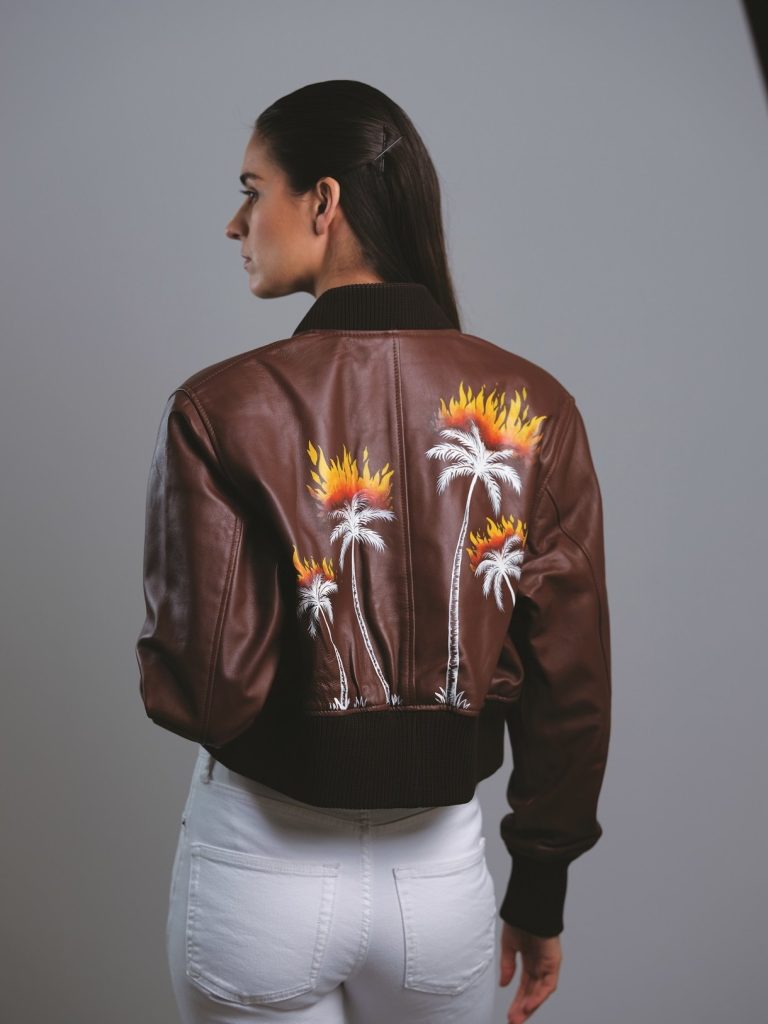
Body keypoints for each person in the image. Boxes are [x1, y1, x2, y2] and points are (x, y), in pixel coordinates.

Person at [136, 79, 612, 1024]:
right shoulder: (536, 406)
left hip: (258, 871)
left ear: (322, 202)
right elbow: (572, 681)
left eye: (251, 190)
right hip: (437, 888)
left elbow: (204, 691)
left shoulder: (217, 408)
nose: (236, 224)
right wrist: (540, 884)